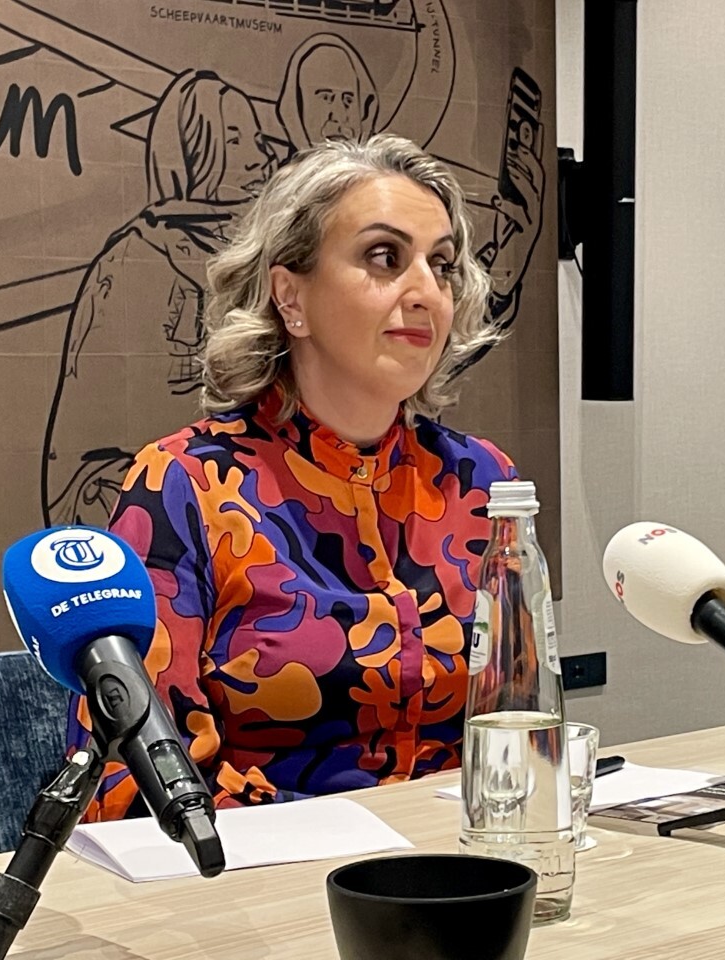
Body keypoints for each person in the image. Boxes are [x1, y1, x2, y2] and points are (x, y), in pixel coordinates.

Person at [67, 133, 517, 819]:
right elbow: (129, 787)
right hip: (265, 867)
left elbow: (522, 723)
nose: (427, 291)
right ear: (290, 297)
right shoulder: (185, 485)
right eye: (384, 257)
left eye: (443, 265)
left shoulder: (482, 480)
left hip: (465, 859)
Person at [42, 69, 278, 528]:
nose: (260, 157)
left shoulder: (264, 262)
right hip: (136, 500)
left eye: (257, 140)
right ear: (193, 155)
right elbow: (107, 432)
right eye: (234, 140)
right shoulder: (139, 259)